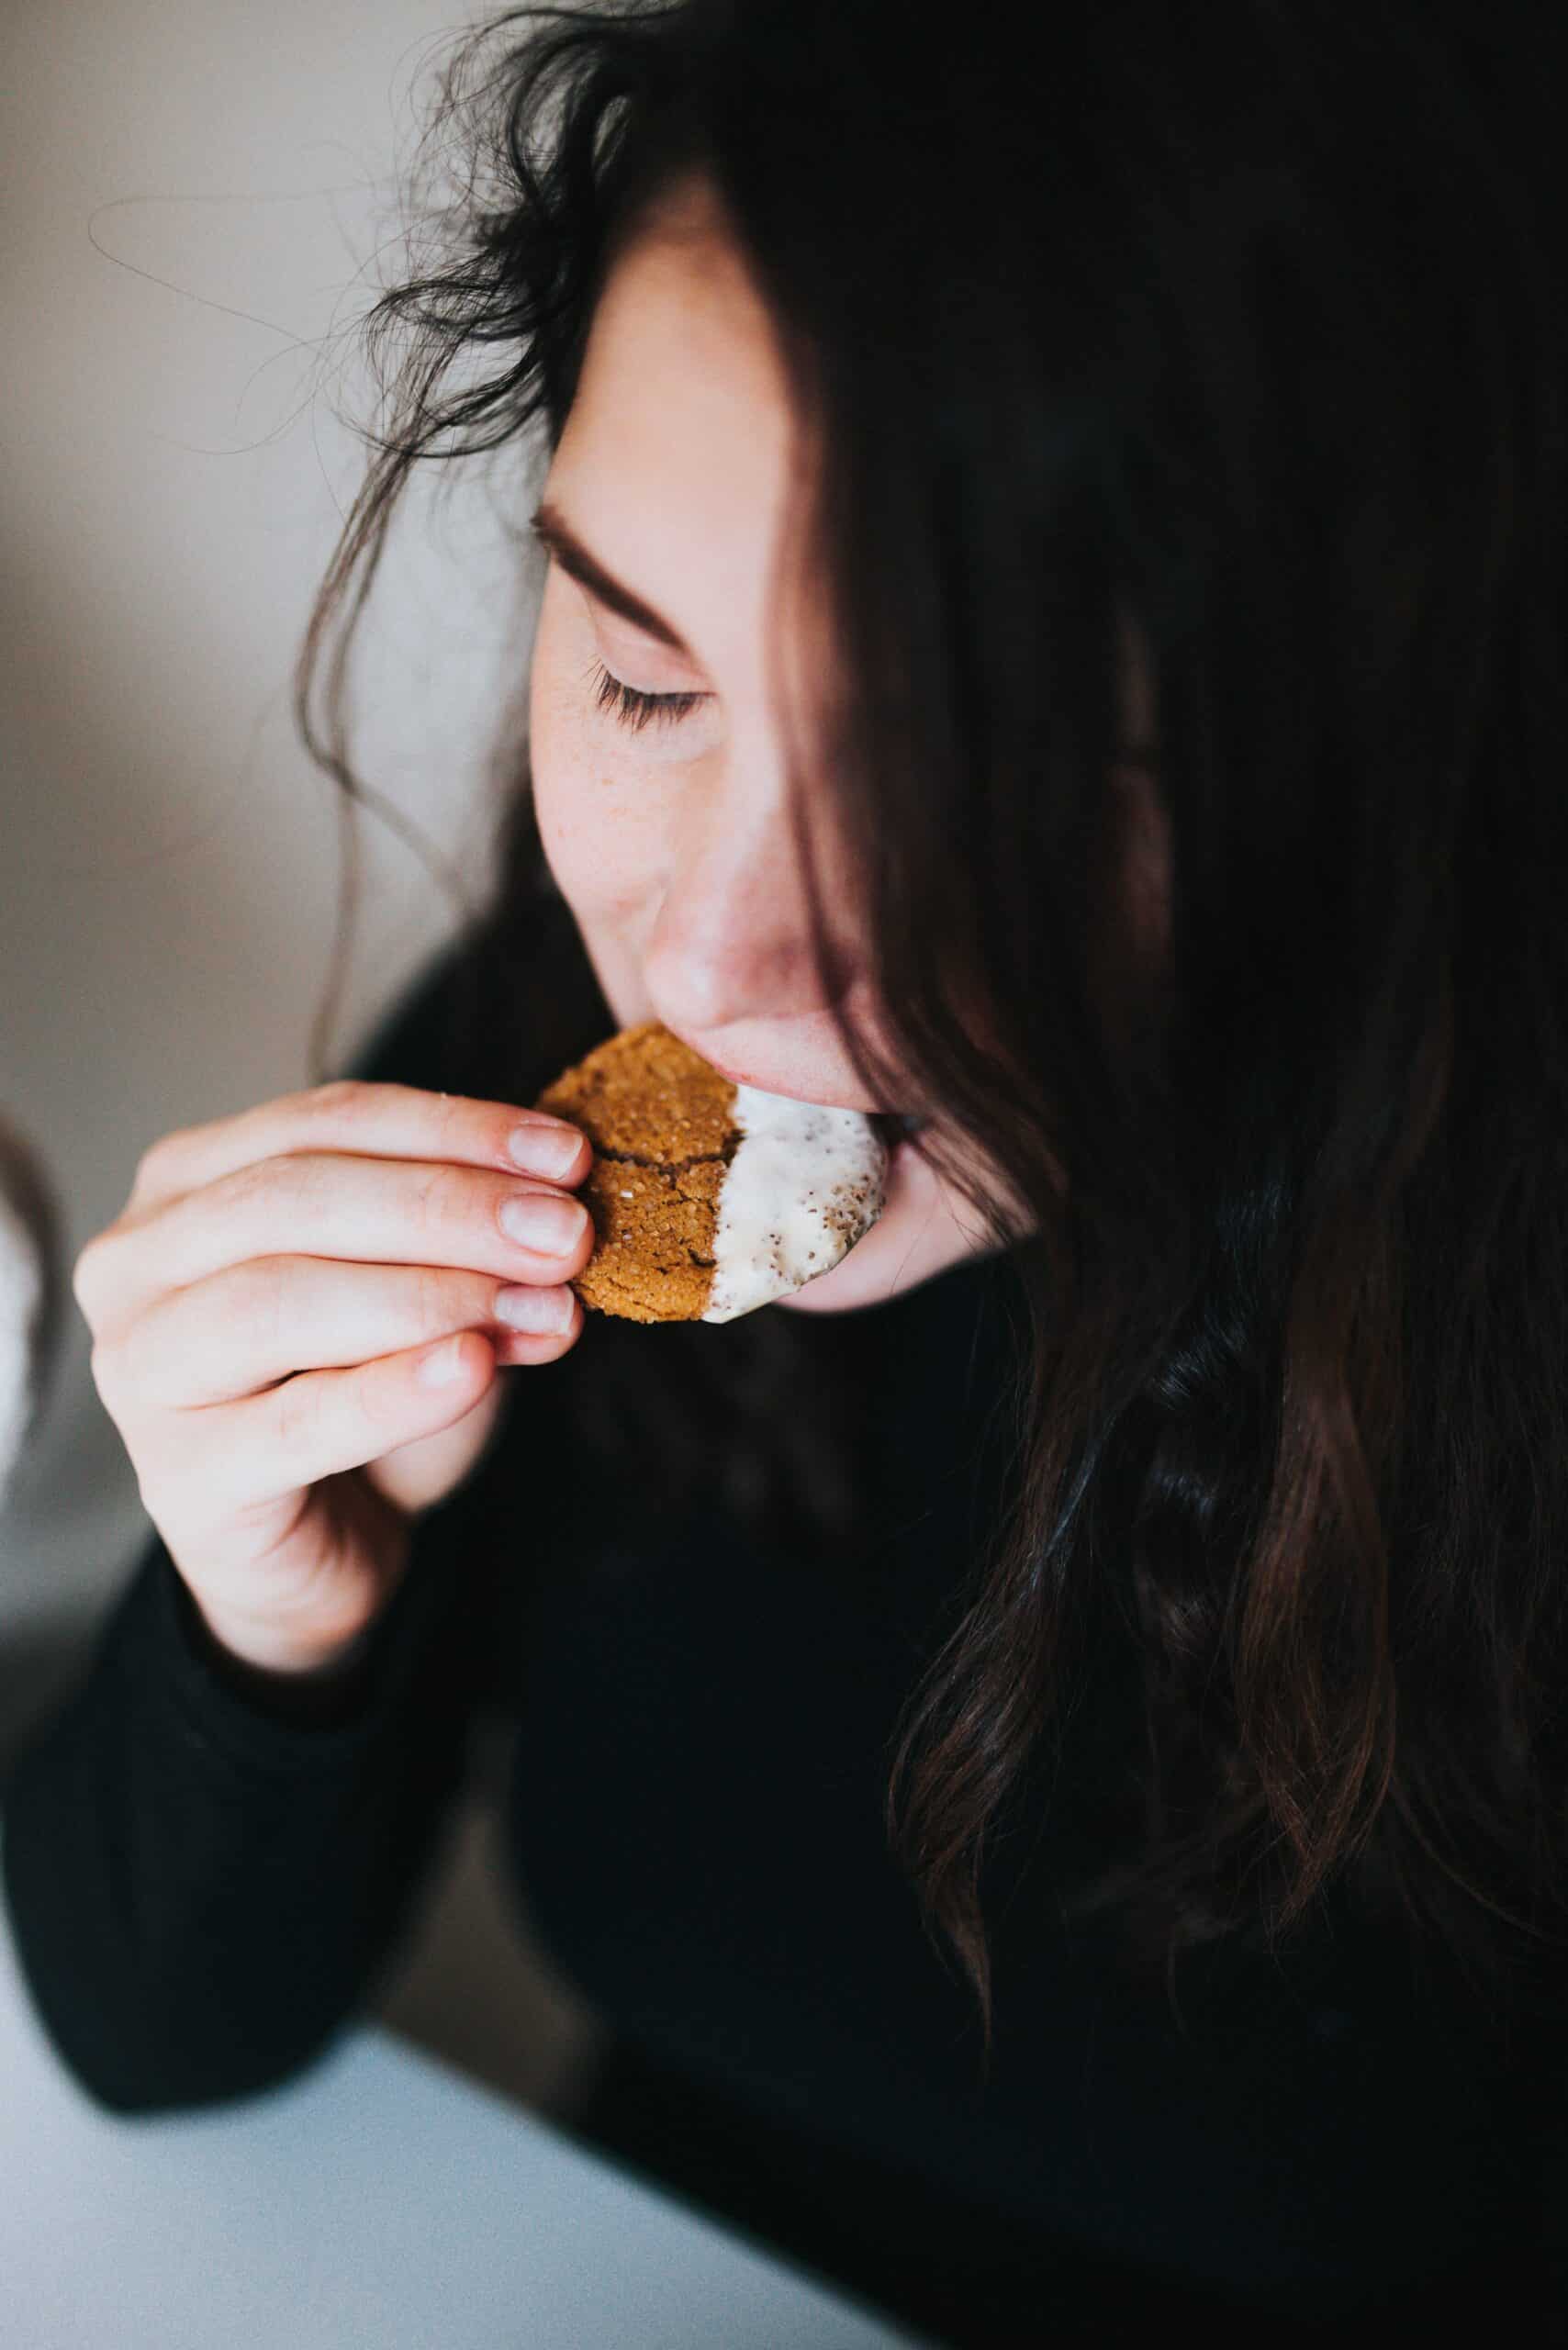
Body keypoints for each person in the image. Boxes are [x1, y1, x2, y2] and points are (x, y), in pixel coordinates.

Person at [5, 1, 1567, 2337]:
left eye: (978, 774)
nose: (712, 964)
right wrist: (274, 1615)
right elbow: (146, 2043)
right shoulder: (559, 1044)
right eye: (644, 681)